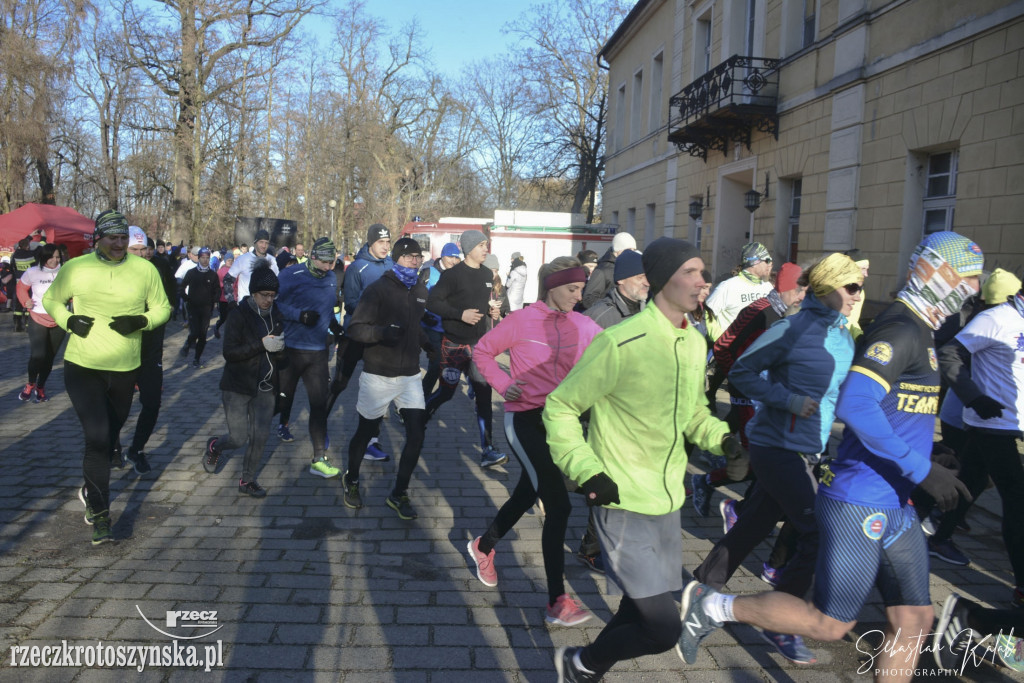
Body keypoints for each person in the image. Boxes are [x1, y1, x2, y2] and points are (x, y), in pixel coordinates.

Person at [677, 232, 984, 683]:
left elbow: (885, 402)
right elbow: (853, 404)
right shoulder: (894, 330)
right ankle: (717, 604)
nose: (974, 289)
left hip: (878, 489)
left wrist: (928, 449)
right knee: (830, 617)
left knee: (915, 622)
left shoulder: (883, 332)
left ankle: (726, 586)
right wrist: (921, 468)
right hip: (836, 482)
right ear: (937, 272)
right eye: (969, 277)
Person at [544, 237, 742, 682]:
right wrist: (586, 470)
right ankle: (581, 663)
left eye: (703, 271)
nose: (702, 280)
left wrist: (724, 439)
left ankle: (582, 669)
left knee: (637, 607)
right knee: (662, 625)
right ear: (660, 281)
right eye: (690, 272)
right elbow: (560, 407)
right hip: (622, 500)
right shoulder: (621, 341)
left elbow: (693, 412)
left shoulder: (693, 341)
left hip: (667, 500)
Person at [689, 253, 862, 664]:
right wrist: (787, 399)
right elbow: (743, 371)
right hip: (777, 446)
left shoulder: (844, 335)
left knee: (754, 524)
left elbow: (840, 393)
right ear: (827, 288)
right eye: (851, 286)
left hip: (810, 446)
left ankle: (700, 588)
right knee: (817, 532)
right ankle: (782, 620)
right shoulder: (793, 328)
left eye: (859, 287)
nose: (858, 295)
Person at [467, 257, 602, 626]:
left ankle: (483, 545)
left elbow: (613, 355)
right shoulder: (522, 321)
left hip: (562, 424)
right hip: (525, 419)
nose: (579, 295)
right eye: (572, 289)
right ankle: (557, 601)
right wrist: (505, 385)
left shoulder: (583, 324)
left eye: (581, 288)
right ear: (551, 287)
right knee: (558, 505)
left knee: (528, 493)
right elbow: (482, 352)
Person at [43, 210, 171, 545]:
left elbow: (163, 308)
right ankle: (101, 515)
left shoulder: (144, 269)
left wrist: (140, 322)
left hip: (125, 367)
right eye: (112, 237)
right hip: (83, 365)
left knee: (111, 434)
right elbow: (50, 299)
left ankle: (90, 488)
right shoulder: (77, 267)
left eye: (123, 238)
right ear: (98, 237)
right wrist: (68, 321)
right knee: (98, 437)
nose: (118, 244)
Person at [693, 262, 806, 518]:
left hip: (769, 395)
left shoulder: (791, 311)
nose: (802, 297)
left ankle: (746, 509)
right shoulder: (759, 312)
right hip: (745, 392)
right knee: (758, 456)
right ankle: (714, 487)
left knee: (769, 455)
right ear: (784, 289)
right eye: (798, 291)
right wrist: (743, 379)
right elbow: (723, 346)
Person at [934, 280, 1024, 602]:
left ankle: (937, 537)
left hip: (1014, 424)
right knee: (1017, 499)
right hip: (993, 422)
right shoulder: (998, 318)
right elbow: (949, 353)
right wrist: (974, 398)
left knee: (971, 479)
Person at [341, 238, 431, 517]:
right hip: (378, 374)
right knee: (366, 432)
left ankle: (399, 493)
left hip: (409, 376)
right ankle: (352, 479)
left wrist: (432, 348)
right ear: (397, 259)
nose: (415, 262)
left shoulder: (419, 289)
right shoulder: (377, 289)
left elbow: (416, 327)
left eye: (418, 257)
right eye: (409, 257)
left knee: (417, 434)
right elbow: (355, 329)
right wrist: (380, 333)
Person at [425, 229, 508, 468]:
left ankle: (488, 450)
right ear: (469, 247)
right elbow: (433, 302)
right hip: (453, 345)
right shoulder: (453, 275)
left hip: (478, 346)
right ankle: (418, 417)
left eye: (486, 245)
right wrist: (460, 314)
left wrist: (492, 312)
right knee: (447, 392)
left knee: (483, 393)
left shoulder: (485, 274)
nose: (486, 249)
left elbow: (483, 304)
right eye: (482, 245)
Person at [204, 262, 285, 497]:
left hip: (266, 386)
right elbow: (229, 353)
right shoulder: (239, 315)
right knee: (239, 438)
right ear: (254, 292)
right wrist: (260, 345)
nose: (269, 300)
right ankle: (215, 446)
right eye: (264, 295)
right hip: (237, 386)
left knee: (260, 437)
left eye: (272, 295)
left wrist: (281, 348)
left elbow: (281, 354)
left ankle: (247, 480)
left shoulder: (277, 314)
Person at [274, 237, 344, 478]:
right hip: (291, 350)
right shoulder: (290, 275)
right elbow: (274, 305)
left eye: (331, 262)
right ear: (313, 258)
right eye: (324, 262)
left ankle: (318, 459)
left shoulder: (332, 278)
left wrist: (336, 327)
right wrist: (299, 315)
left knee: (318, 406)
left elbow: (326, 310)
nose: (328, 267)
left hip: (317, 353)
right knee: (282, 402)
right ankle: (251, 434)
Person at [332, 223, 395, 462]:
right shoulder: (357, 267)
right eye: (381, 243)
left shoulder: (392, 265)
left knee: (375, 389)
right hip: (355, 335)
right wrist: (375, 309)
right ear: (370, 243)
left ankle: (372, 441)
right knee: (339, 385)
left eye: (388, 243)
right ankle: (321, 421)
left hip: (378, 338)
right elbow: (349, 303)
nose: (386, 247)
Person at [120, 226, 170, 476]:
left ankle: (136, 449)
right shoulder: (113, 272)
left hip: (150, 348)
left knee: (152, 402)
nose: (141, 255)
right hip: (120, 349)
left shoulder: (158, 268)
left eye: (144, 249)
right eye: (135, 250)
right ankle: (111, 447)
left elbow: (169, 304)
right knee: (118, 407)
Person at [15, 243, 65, 402]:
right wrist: (26, 301)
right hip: (37, 316)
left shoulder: (66, 271)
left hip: (59, 318)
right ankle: (30, 384)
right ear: (44, 257)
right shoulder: (33, 272)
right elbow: (21, 288)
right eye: (51, 257)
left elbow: (74, 290)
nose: (55, 260)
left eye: (58, 257)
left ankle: (41, 386)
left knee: (50, 357)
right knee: (38, 355)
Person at [421, 242, 461, 398]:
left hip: (447, 326)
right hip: (429, 326)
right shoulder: (428, 272)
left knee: (442, 366)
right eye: (450, 257)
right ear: (443, 256)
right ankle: (423, 398)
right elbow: (418, 296)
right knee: (436, 363)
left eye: (456, 258)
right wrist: (424, 314)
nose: (453, 261)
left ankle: (428, 399)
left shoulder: (457, 274)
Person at [705, 242, 774, 329]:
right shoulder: (727, 287)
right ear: (754, 262)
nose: (770, 264)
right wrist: (719, 338)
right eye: (767, 260)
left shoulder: (768, 287)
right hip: (733, 341)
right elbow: (707, 313)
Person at [583, 250, 648, 329]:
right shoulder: (597, 318)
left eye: (647, 277)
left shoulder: (650, 312)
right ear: (621, 280)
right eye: (640, 278)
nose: (647, 283)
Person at [180, 247, 220, 367]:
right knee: (195, 331)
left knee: (203, 334)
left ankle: (197, 359)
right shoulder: (192, 273)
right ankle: (188, 342)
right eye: (202, 257)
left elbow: (217, 289)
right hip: (193, 307)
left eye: (207, 258)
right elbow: (182, 287)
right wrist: (187, 298)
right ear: (198, 258)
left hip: (206, 308)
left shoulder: (213, 275)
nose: (205, 260)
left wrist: (215, 300)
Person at [579, 232, 637, 310]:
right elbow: (588, 300)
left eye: (634, 250)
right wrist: (613, 306)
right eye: (628, 249)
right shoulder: (603, 270)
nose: (631, 253)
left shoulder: (628, 267)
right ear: (617, 250)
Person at [229, 229, 279, 300]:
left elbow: (277, 282)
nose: (264, 245)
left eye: (266, 243)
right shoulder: (243, 259)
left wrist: (275, 299)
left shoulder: (273, 260)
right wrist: (231, 300)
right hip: (246, 306)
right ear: (255, 242)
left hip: (266, 306)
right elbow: (228, 280)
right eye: (261, 242)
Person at [214, 253, 236, 339]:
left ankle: (231, 334)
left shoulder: (235, 270)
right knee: (223, 317)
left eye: (231, 260)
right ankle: (217, 326)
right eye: (228, 261)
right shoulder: (220, 271)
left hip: (233, 298)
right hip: (223, 298)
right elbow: (217, 283)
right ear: (225, 261)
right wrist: (224, 285)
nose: (230, 262)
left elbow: (237, 281)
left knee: (232, 317)